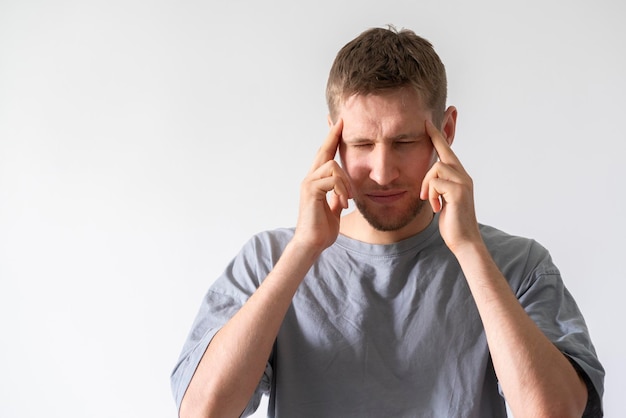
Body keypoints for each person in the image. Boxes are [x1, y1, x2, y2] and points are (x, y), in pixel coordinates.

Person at [171, 26, 604, 418]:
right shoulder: (268, 260)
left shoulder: (519, 265)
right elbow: (202, 412)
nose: (382, 172)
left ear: (446, 130)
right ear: (333, 139)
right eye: (361, 144)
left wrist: (470, 250)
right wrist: (302, 250)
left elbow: (554, 412)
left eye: (405, 141)